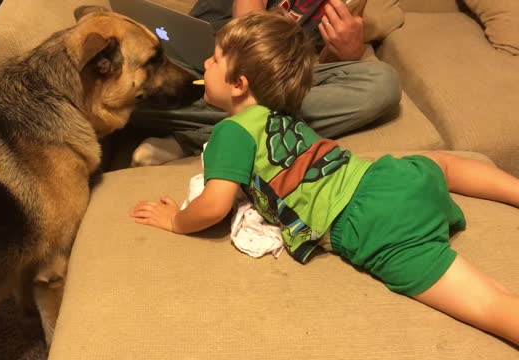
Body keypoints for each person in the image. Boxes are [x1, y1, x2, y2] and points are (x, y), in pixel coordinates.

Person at [129, 11, 519, 345]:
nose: (206, 64)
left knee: (490, 303)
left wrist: (175, 221)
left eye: (214, 59)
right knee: (445, 165)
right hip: (385, 177)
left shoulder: (230, 133)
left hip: (368, 224)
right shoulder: (283, 115)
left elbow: (215, 205)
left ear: (239, 84)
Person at [129, 0, 401, 167]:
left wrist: (346, 52)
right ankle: (221, 132)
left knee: (382, 84)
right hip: (196, 65)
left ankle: (192, 138)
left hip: (274, 86)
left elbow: (310, 73)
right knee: (118, 94)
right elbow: (236, 40)